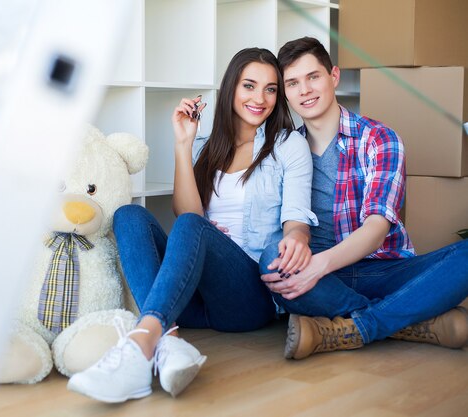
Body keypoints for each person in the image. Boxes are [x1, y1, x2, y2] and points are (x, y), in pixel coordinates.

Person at [67, 48, 318, 402]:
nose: (259, 98)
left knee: (190, 226)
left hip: (246, 298)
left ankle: (141, 344)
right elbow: (188, 213)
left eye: (271, 89)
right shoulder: (205, 148)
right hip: (191, 297)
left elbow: (296, 216)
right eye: (249, 86)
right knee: (128, 215)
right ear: (231, 87)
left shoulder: (288, 145)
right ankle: (167, 339)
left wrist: (297, 237)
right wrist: (183, 145)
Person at [259, 36, 468, 360]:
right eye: (293, 83)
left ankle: (357, 326)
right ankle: (406, 321)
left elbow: (376, 230)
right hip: (321, 279)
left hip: (384, 271)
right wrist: (311, 268)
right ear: (286, 92)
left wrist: (318, 266)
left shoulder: (380, 139)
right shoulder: (284, 151)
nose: (305, 90)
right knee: (272, 258)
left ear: (334, 77)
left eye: (313, 77)